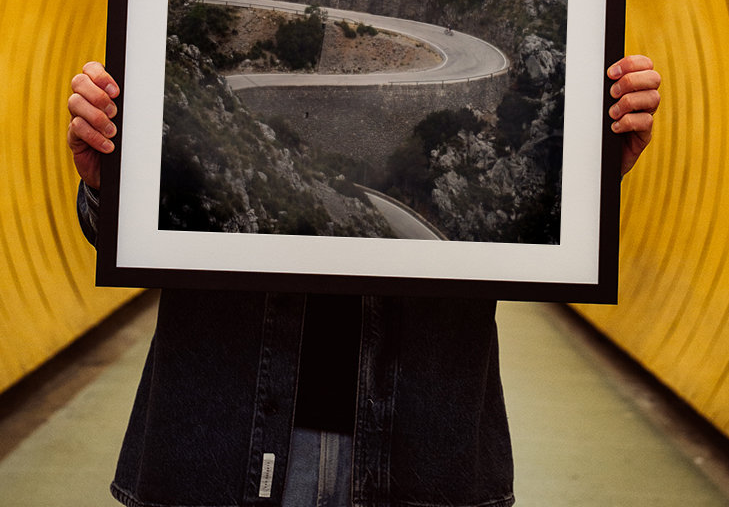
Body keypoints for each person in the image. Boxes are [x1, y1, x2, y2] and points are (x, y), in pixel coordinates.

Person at [68, 55, 661, 507]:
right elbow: (134, 233)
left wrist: (584, 178)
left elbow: (520, 235)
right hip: (222, 440)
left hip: (421, 449)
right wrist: (109, 184)